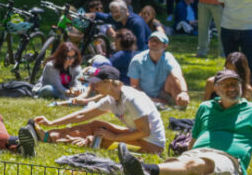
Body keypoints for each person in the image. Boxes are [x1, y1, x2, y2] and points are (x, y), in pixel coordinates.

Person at [120, 70, 252, 175]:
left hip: (228, 159)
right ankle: (133, 170)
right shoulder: (206, 107)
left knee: (193, 165)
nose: (232, 88)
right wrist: (188, 154)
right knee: (180, 165)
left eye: (234, 84)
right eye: (226, 85)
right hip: (197, 153)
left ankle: (145, 169)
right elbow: (194, 138)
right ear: (216, 89)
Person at [28, 65, 166, 154]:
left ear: (109, 83)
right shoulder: (111, 98)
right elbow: (81, 115)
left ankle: (55, 139)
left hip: (151, 145)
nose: (93, 87)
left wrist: (115, 137)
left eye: (96, 83)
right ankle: (48, 134)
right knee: (96, 125)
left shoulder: (132, 99)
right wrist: (52, 123)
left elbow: (144, 131)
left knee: (98, 139)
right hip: (136, 134)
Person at [127, 29, 189, 108]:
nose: (154, 43)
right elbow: (134, 86)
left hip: (162, 93)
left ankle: (180, 103)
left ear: (165, 46)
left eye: (157, 41)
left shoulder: (168, 57)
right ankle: (165, 103)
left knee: (172, 78)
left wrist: (184, 92)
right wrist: (151, 99)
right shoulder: (137, 60)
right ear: (148, 43)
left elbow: (178, 77)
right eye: (151, 40)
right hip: (144, 95)